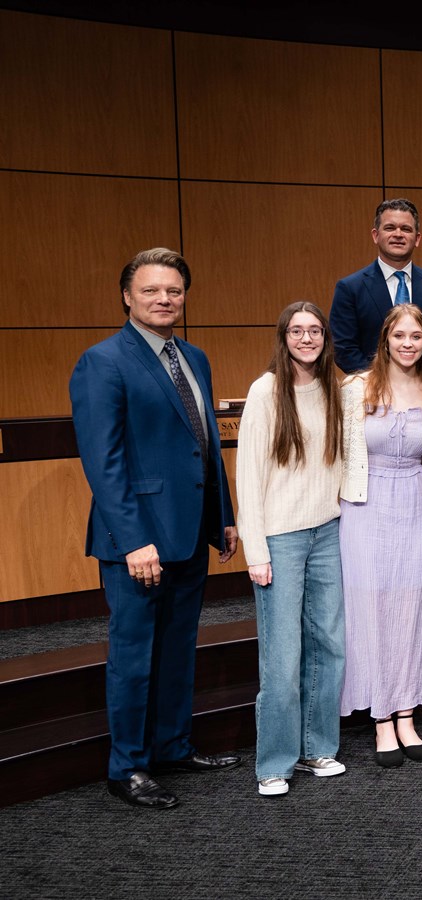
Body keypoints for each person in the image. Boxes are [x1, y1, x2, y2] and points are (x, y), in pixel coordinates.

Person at [69, 247, 241, 809]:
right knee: (134, 656)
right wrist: (133, 540)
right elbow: (104, 463)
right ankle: (127, 768)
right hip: (137, 542)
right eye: (151, 290)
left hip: (189, 534)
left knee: (178, 649)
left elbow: (205, 443)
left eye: (173, 290)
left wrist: (223, 516)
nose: (164, 299)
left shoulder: (194, 357)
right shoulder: (102, 362)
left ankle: (172, 746)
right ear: (127, 296)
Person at [236, 301, 347, 797]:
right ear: (284, 338)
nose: (307, 338)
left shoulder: (334, 388)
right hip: (280, 539)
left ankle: (317, 747)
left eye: (315, 330)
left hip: (328, 531)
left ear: (325, 337)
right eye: (297, 331)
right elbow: (248, 475)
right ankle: (275, 763)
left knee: (329, 646)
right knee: (282, 656)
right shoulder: (265, 391)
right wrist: (255, 549)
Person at [338, 303, 422, 766]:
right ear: (385, 339)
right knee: (371, 611)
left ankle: (406, 714)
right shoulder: (355, 388)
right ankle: (381, 718)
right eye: (399, 335)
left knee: (411, 610)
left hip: (415, 506)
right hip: (365, 509)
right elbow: (337, 457)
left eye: (416, 337)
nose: (408, 344)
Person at [330, 198, 422, 375]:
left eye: (406, 229)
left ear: (417, 239)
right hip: (371, 387)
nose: (398, 234)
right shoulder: (350, 288)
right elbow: (344, 349)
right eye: (390, 228)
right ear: (375, 235)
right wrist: (381, 381)